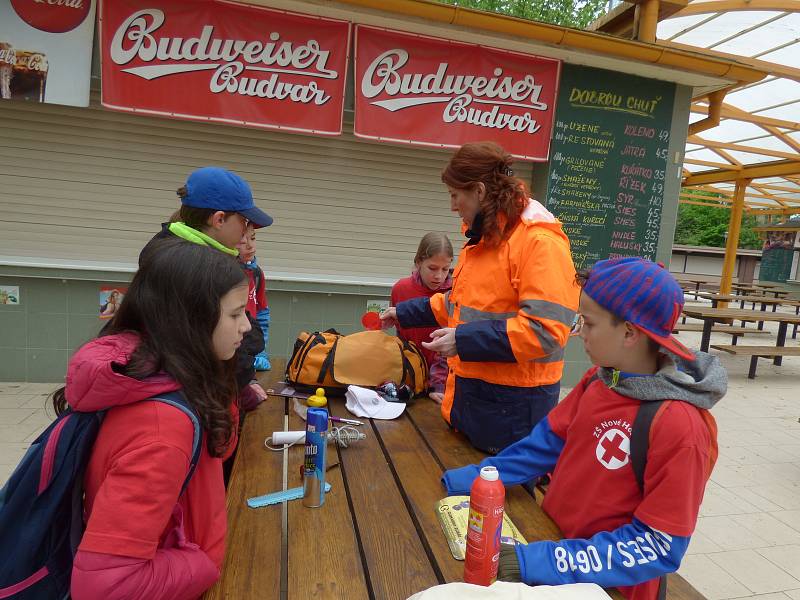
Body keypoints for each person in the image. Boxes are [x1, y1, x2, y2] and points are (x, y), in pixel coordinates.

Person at [441, 257, 726, 600]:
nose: (578, 334)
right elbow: (544, 444)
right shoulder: (599, 380)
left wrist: (537, 561)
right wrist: (474, 479)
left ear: (630, 332)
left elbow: (659, 544)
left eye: (587, 323)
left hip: (608, 587)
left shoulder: (681, 426)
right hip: (555, 552)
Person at [56, 239, 252, 600]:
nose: (247, 327)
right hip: (182, 576)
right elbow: (105, 586)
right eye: (236, 314)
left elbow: (216, 455)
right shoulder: (162, 431)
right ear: (190, 320)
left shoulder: (157, 373)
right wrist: (204, 564)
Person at [381, 142, 579, 454]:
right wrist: (402, 313)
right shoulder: (487, 239)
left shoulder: (539, 242)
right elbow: (461, 305)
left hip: (512, 412)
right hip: (475, 403)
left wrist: (463, 340)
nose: (452, 206)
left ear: (480, 191)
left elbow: (546, 331)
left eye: (455, 195)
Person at [139, 166, 272, 407]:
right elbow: (214, 348)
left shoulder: (167, 248)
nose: (246, 230)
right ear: (219, 219)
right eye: (244, 220)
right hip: (199, 399)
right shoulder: (196, 268)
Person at [390, 232, 453, 403]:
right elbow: (400, 338)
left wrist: (438, 385)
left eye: (445, 269)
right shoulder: (401, 289)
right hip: (409, 379)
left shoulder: (454, 293)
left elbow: (451, 348)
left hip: (442, 385)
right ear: (418, 262)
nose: (439, 276)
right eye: (432, 268)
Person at [236, 223, 271, 373]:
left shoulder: (256, 274)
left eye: (253, 238)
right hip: (234, 349)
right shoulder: (224, 274)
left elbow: (262, 313)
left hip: (252, 345)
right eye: (242, 241)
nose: (250, 246)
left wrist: (260, 348)